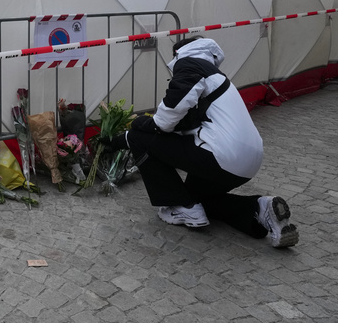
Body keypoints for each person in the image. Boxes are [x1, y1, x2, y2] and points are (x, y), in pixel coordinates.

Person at [111, 36, 298, 248]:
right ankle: (259, 209)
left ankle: (181, 206)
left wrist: (143, 126)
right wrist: (123, 138)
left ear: (178, 53)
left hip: (223, 155)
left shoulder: (190, 62)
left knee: (140, 138)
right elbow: (187, 124)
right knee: (198, 198)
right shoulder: (215, 76)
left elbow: (170, 115)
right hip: (248, 161)